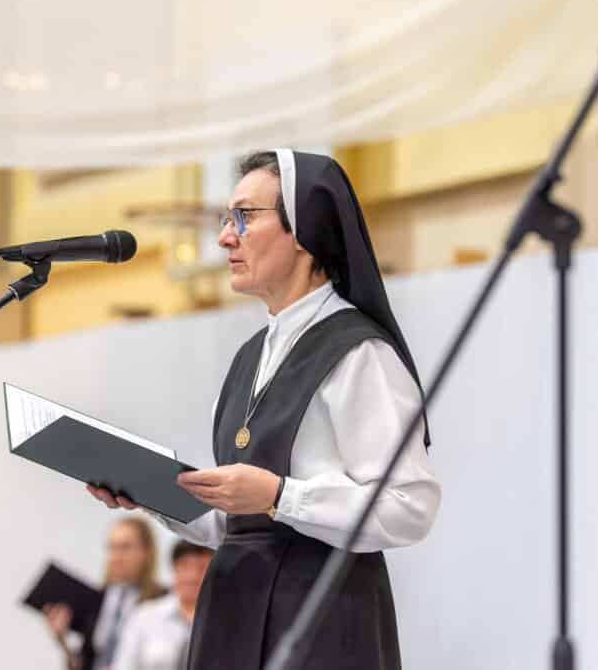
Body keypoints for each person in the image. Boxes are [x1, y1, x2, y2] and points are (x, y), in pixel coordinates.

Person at [86, 150, 441, 669]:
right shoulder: (250, 357)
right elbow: (237, 525)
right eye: (225, 219)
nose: (225, 238)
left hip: (321, 619)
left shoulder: (359, 353)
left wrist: (280, 496)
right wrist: (150, 492)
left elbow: (409, 507)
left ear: (304, 231)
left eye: (244, 218)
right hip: (234, 612)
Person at [43, 516, 165, 670]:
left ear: (146, 551)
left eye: (125, 547)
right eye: (111, 547)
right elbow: (83, 664)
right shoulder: (98, 600)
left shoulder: (163, 602)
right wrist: (61, 639)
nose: (116, 557)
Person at [113, 541, 213, 670]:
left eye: (202, 568)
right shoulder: (144, 617)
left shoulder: (222, 621)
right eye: (185, 566)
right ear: (174, 569)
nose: (192, 576)